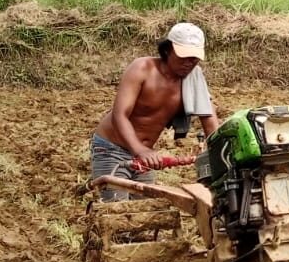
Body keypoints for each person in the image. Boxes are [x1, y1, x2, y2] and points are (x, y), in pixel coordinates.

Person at [90, 22, 220, 199]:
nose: (189, 63)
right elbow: (119, 115)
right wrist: (140, 151)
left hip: (146, 151)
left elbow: (209, 121)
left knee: (145, 209)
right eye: (184, 56)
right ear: (167, 50)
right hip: (113, 148)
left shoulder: (194, 79)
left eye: (194, 58)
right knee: (117, 211)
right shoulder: (142, 69)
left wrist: (222, 156)